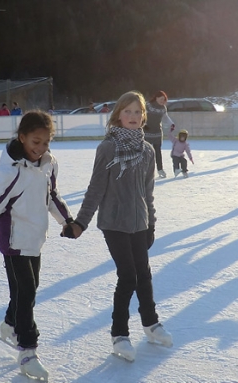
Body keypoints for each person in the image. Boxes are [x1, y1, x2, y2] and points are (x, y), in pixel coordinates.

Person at [0, 110, 78, 380]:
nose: (40, 148)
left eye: (45, 142)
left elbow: (52, 194)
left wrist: (67, 220)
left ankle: (10, 323)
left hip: (35, 238)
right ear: (22, 138)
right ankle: (27, 350)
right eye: (35, 142)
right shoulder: (10, 173)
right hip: (13, 242)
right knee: (26, 290)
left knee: (27, 291)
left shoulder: (48, 163)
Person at [64, 90, 173, 362]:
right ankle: (119, 335)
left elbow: (147, 193)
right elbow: (95, 189)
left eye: (138, 112)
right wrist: (80, 223)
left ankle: (150, 323)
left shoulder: (147, 150)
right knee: (128, 277)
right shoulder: (108, 148)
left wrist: (151, 223)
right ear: (118, 116)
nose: (133, 117)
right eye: (128, 112)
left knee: (144, 275)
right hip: (114, 223)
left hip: (139, 222)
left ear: (144, 117)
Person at [144, 90, 175, 178]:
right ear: (156, 98)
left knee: (158, 152)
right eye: (161, 99)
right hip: (147, 132)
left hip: (157, 132)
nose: (162, 101)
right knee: (147, 152)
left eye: (164, 100)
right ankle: (146, 170)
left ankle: (160, 169)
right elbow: (142, 115)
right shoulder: (148, 106)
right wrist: (144, 124)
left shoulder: (163, 108)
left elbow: (165, 117)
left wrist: (171, 124)